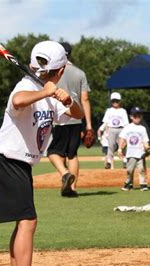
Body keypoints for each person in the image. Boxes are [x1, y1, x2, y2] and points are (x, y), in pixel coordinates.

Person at [0, 40, 83, 266]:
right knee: (28, 222)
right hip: (10, 161)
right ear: (61, 69)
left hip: (20, 163)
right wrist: (46, 92)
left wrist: (67, 98)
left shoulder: (48, 91)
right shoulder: (27, 87)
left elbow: (76, 114)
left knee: (23, 222)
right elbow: (18, 101)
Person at [47, 42, 92, 197]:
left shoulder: (53, 72)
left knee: (53, 151)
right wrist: (89, 125)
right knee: (72, 154)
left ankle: (65, 173)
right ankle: (72, 189)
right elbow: (85, 99)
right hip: (77, 118)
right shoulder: (80, 73)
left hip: (60, 118)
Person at [118, 107, 150, 191]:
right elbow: (122, 139)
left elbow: (145, 140)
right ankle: (129, 183)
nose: (137, 117)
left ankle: (143, 184)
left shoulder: (142, 128)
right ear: (131, 117)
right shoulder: (127, 127)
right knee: (130, 169)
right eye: (135, 116)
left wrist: (147, 148)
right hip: (130, 152)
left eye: (139, 116)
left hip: (140, 153)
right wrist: (120, 149)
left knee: (142, 169)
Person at [102, 92, 129, 169]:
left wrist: (126, 134)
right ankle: (109, 162)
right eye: (113, 101)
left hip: (121, 129)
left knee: (123, 146)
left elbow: (126, 124)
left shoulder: (123, 111)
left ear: (119, 101)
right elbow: (106, 123)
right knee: (110, 146)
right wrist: (106, 133)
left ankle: (125, 161)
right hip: (111, 129)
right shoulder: (109, 110)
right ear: (111, 101)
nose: (115, 102)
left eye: (116, 101)